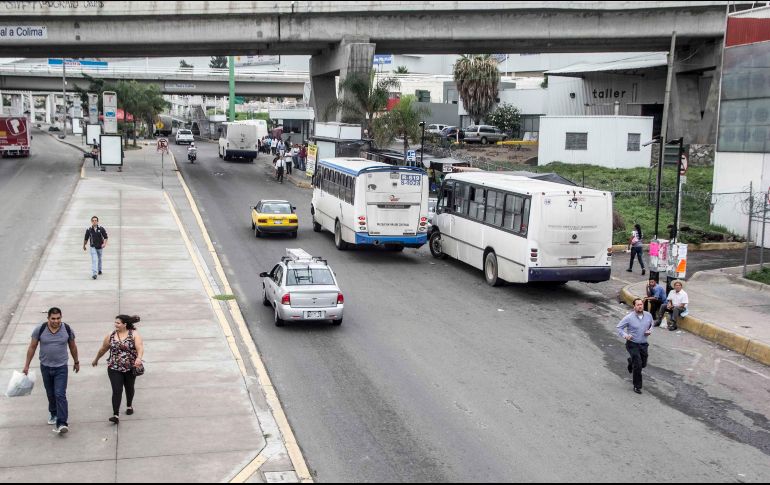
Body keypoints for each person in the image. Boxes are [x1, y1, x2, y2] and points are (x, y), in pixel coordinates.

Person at [22, 307, 80, 434]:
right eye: (53, 318)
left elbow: (73, 347)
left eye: (58, 318)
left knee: (60, 394)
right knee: (50, 393)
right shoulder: (40, 329)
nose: (56, 321)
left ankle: (62, 423)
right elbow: (32, 347)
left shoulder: (67, 329)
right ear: (48, 318)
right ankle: (53, 413)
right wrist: (26, 365)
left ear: (61, 317)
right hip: (45, 367)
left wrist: (76, 362)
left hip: (61, 368)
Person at [91, 315, 144, 424]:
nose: (116, 325)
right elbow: (103, 349)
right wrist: (96, 359)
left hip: (130, 368)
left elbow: (140, 347)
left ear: (125, 324)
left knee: (129, 388)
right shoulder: (111, 335)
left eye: (118, 323)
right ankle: (115, 414)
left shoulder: (134, 334)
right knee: (117, 390)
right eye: (115, 323)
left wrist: (139, 358)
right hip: (114, 367)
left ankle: (129, 405)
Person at [616, 298, 654, 395]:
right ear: (634, 306)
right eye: (638, 305)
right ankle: (637, 386)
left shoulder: (648, 315)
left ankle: (630, 361)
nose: (640, 306)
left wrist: (649, 331)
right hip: (632, 344)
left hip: (644, 344)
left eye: (641, 304)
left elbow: (651, 325)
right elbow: (619, 328)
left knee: (643, 364)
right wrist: (625, 335)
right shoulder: (629, 317)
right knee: (638, 365)